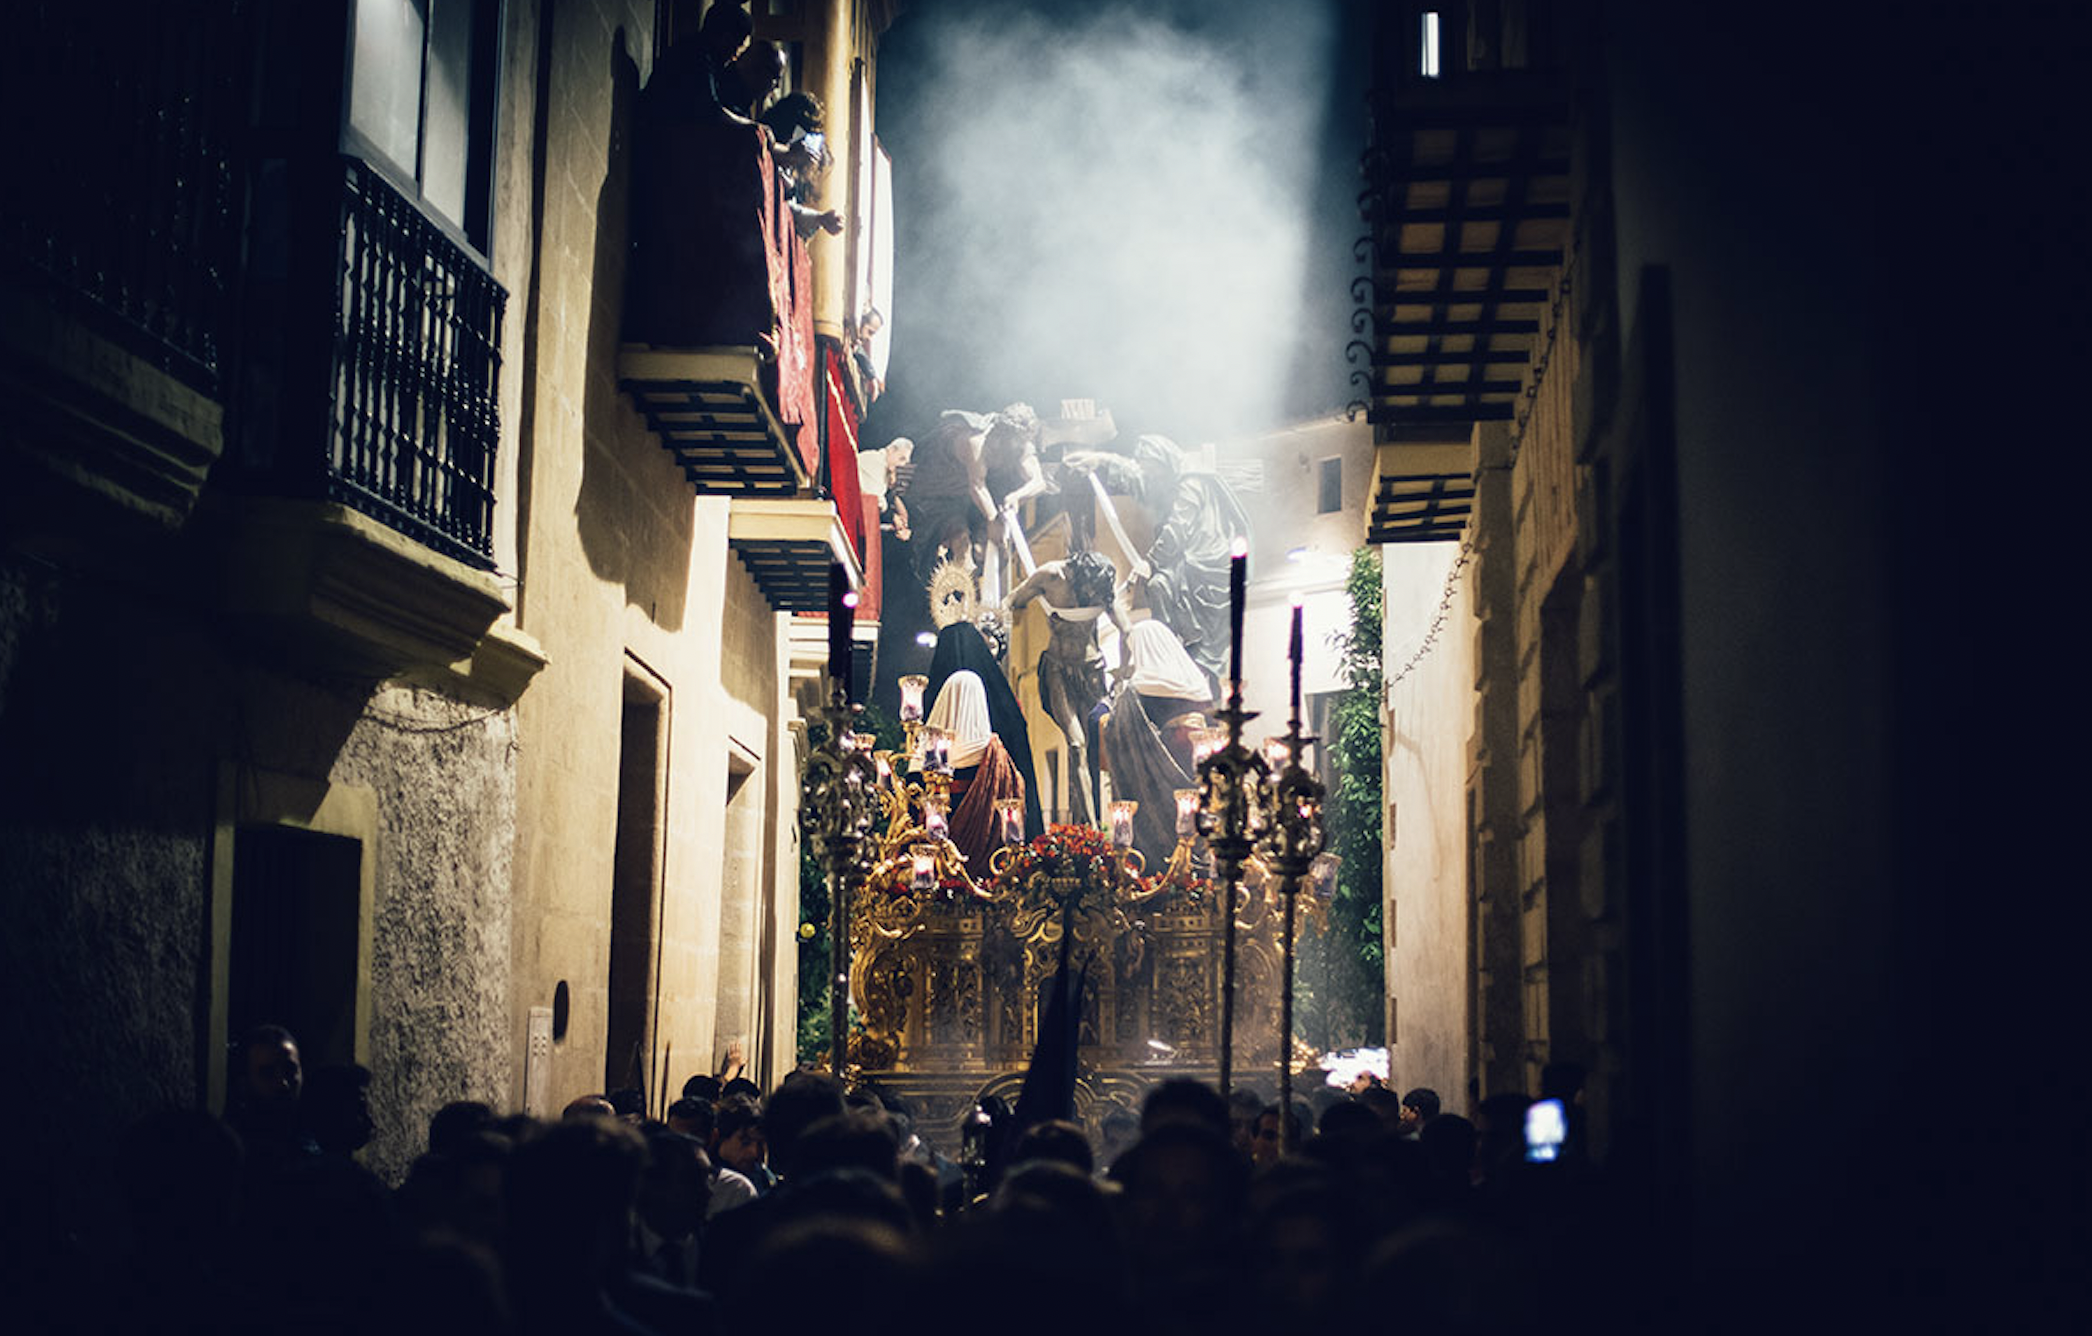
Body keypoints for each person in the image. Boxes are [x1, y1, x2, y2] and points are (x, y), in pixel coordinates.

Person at [1006, 550, 1129, 825]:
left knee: (1102, 746)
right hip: (1058, 670)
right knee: (1076, 744)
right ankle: (1094, 831)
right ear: (1080, 579)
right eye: (1090, 592)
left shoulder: (1100, 585)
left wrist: (1123, 673)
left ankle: (1089, 823)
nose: (1092, 597)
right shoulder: (1052, 576)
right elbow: (1012, 600)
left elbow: (1126, 629)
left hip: (1092, 671)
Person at [1125, 435, 1251, 692]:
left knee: (1159, 583)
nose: (1154, 479)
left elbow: (1177, 530)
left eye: (1155, 472)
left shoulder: (1191, 483)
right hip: (1190, 562)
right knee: (1159, 586)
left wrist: (1150, 562)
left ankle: (1184, 654)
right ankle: (1171, 656)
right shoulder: (1179, 483)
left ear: (1165, 461)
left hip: (1206, 564)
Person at [1097, 618, 1214, 865]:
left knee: (1163, 834)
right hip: (1199, 762)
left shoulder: (1139, 688)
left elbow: (1121, 731)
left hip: (1159, 767)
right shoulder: (1197, 683)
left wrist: (1103, 717)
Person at [926, 619, 1043, 839]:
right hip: (995, 828)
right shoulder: (1003, 704)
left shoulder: (934, 700)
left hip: (940, 819)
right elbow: (1020, 766)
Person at [919, 670, 1027, 876]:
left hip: (931, 851)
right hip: (986, 856)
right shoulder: (994, 752)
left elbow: (911, 801)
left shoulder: (926, 753)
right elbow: (1013, 789)